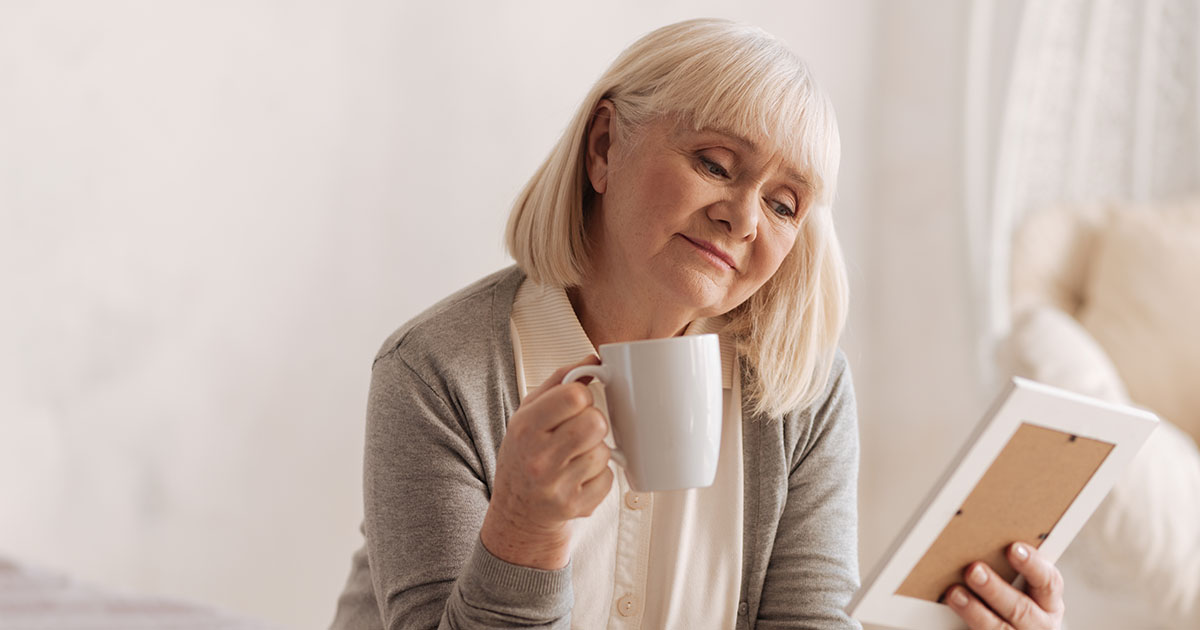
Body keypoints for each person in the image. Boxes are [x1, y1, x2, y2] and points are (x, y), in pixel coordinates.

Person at [330, 18, 1066, 630]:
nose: (743, 218)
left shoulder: (797, 392)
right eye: (715, 163)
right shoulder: (439, 371)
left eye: (783, 204)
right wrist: (524, 532)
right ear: (603, 147)